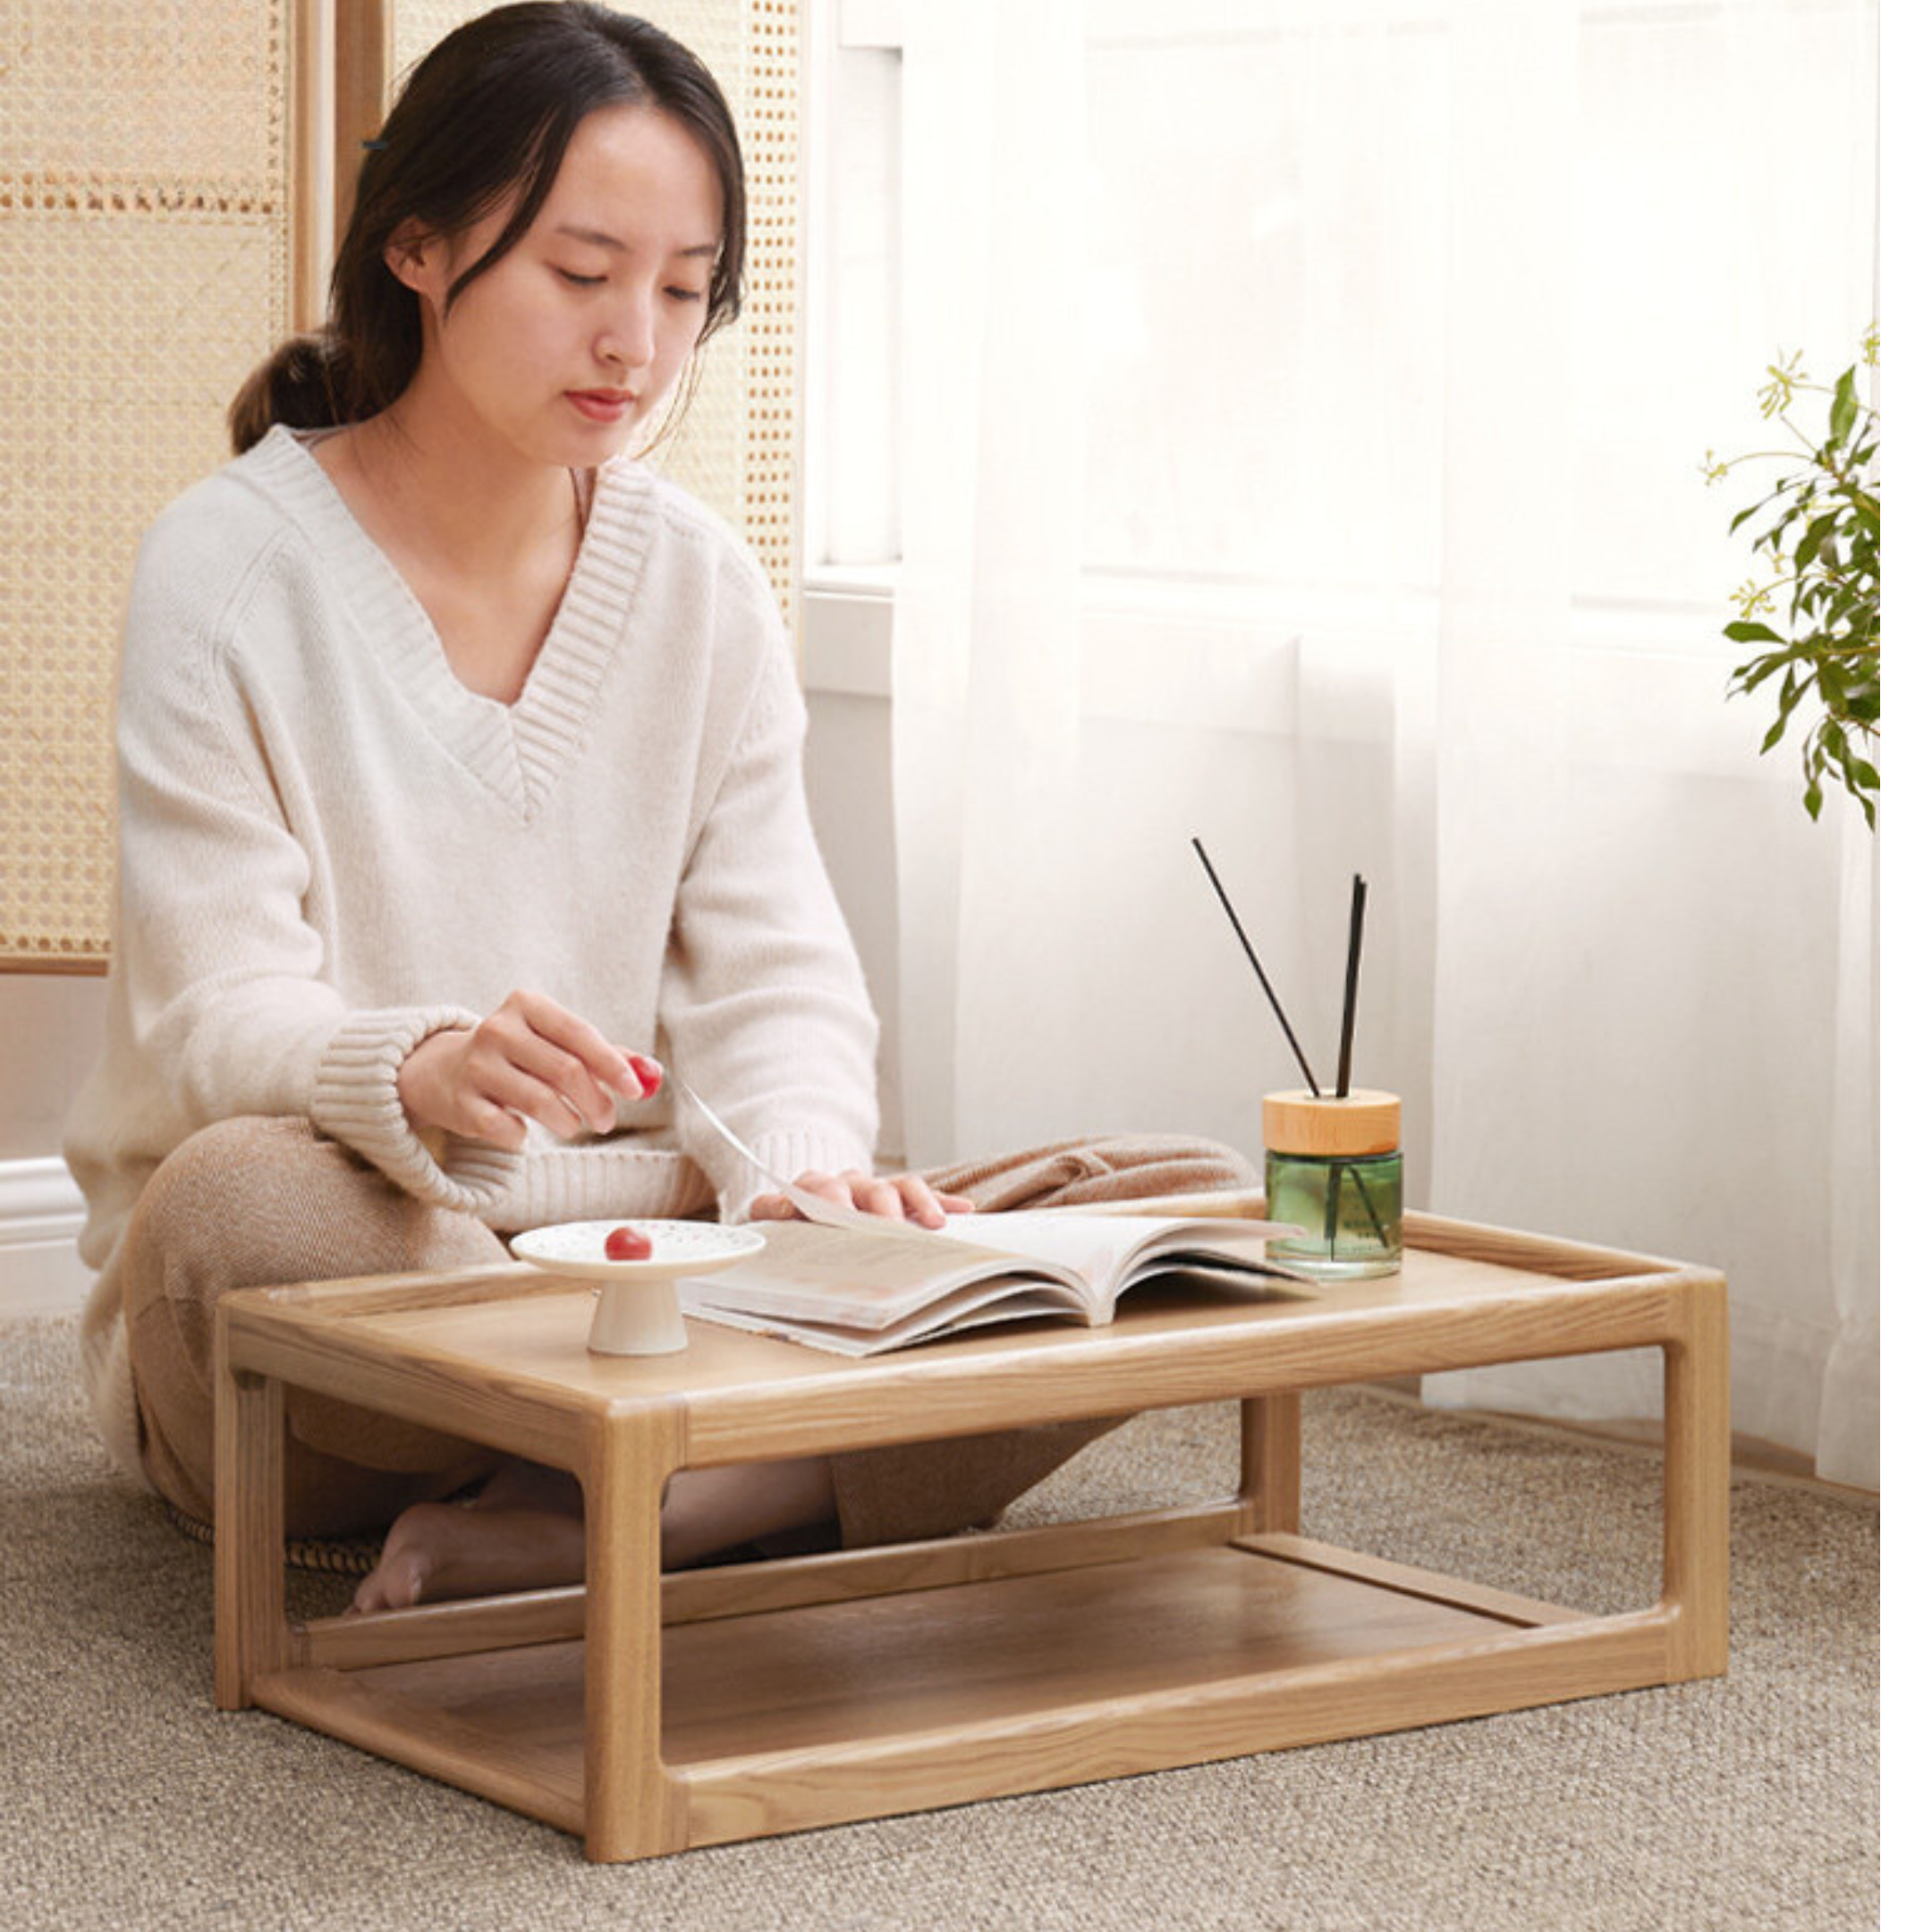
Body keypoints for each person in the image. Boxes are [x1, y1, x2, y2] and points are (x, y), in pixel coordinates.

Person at [64, 1, 1252, 1616]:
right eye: (581, 274)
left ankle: (607, 1514)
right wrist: (411, 1066)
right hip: (381, 1250)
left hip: (670, 1252)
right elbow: (215, 1008)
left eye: (685, 291)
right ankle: (739, 1468)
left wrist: (806, 1182)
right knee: (236, 1200)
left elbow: (777, 973)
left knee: (1186, 1205)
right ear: (418, 246)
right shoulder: (226, 569)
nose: (639, 341)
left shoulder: (699, 581)